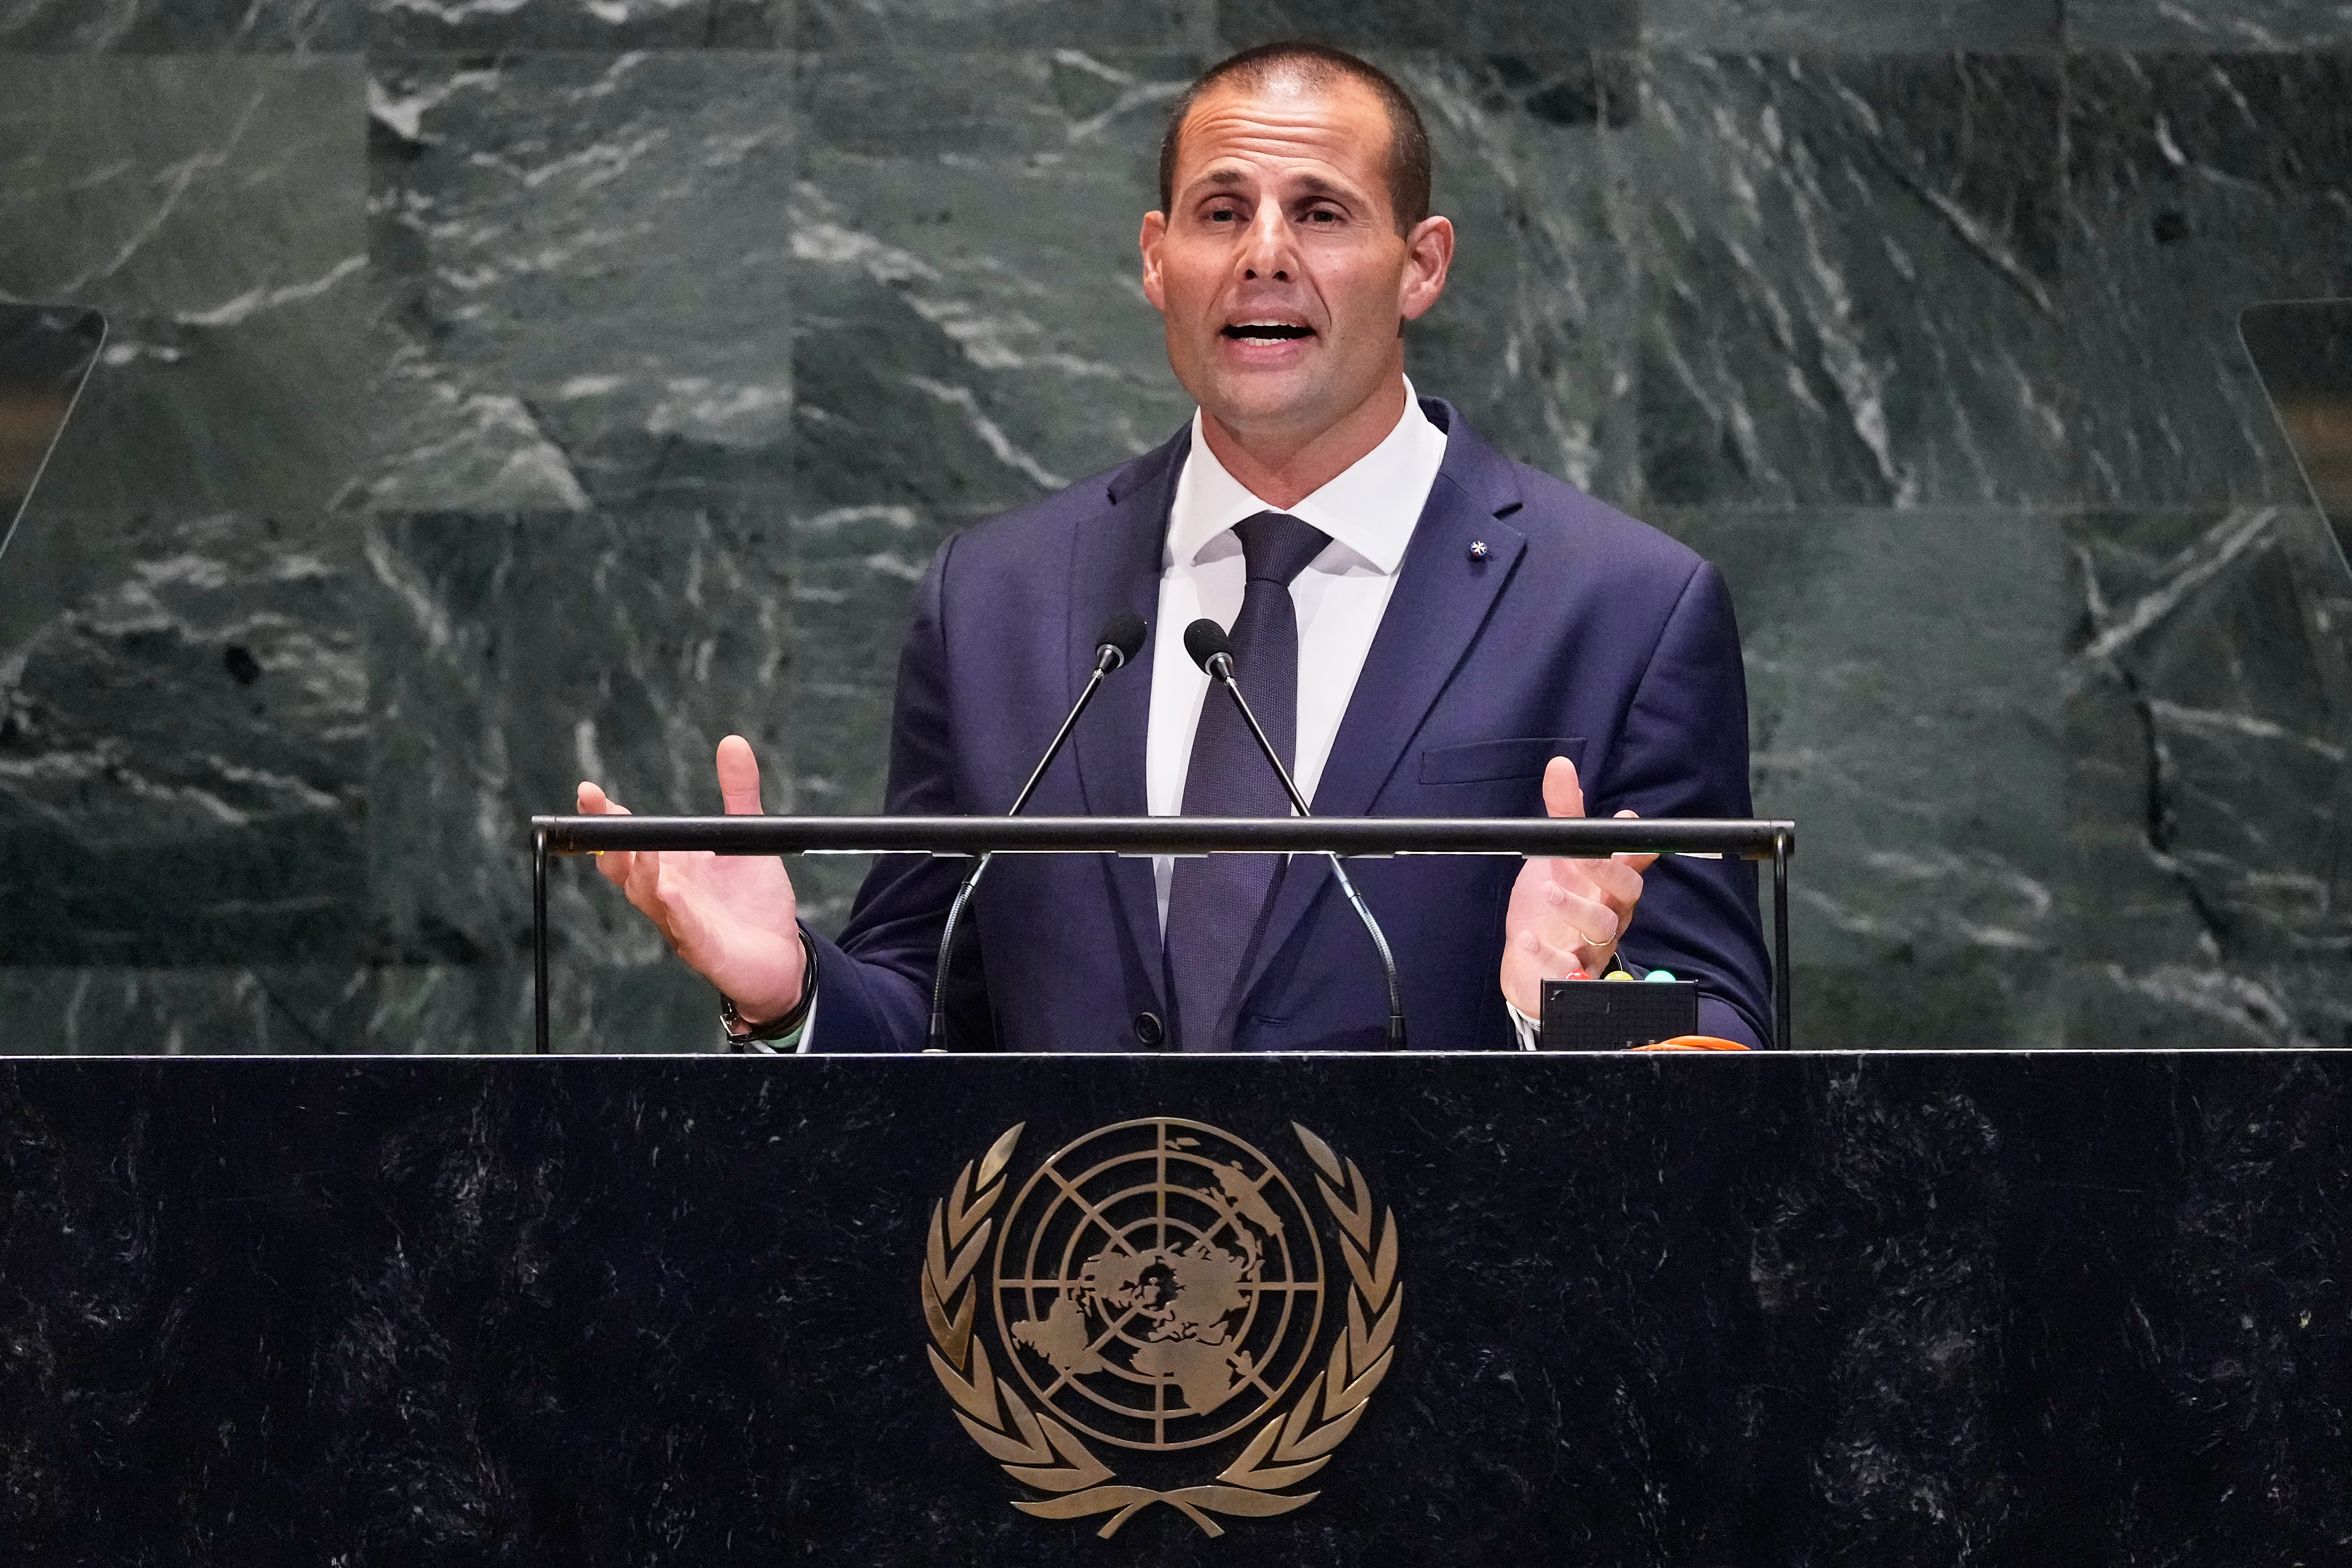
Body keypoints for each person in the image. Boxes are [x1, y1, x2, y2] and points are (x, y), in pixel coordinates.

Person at [578, 41, 1772, 1052]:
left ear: (1422, 266)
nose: (1264, 252)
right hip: (1065, 1300)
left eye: (1320, 212)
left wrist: (1573, 1009)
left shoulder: (1622, 608)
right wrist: (788, 992)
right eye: (1220, 212)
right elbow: (929, 1010)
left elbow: (1721, 1043)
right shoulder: (996, 598)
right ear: (1158, 261)